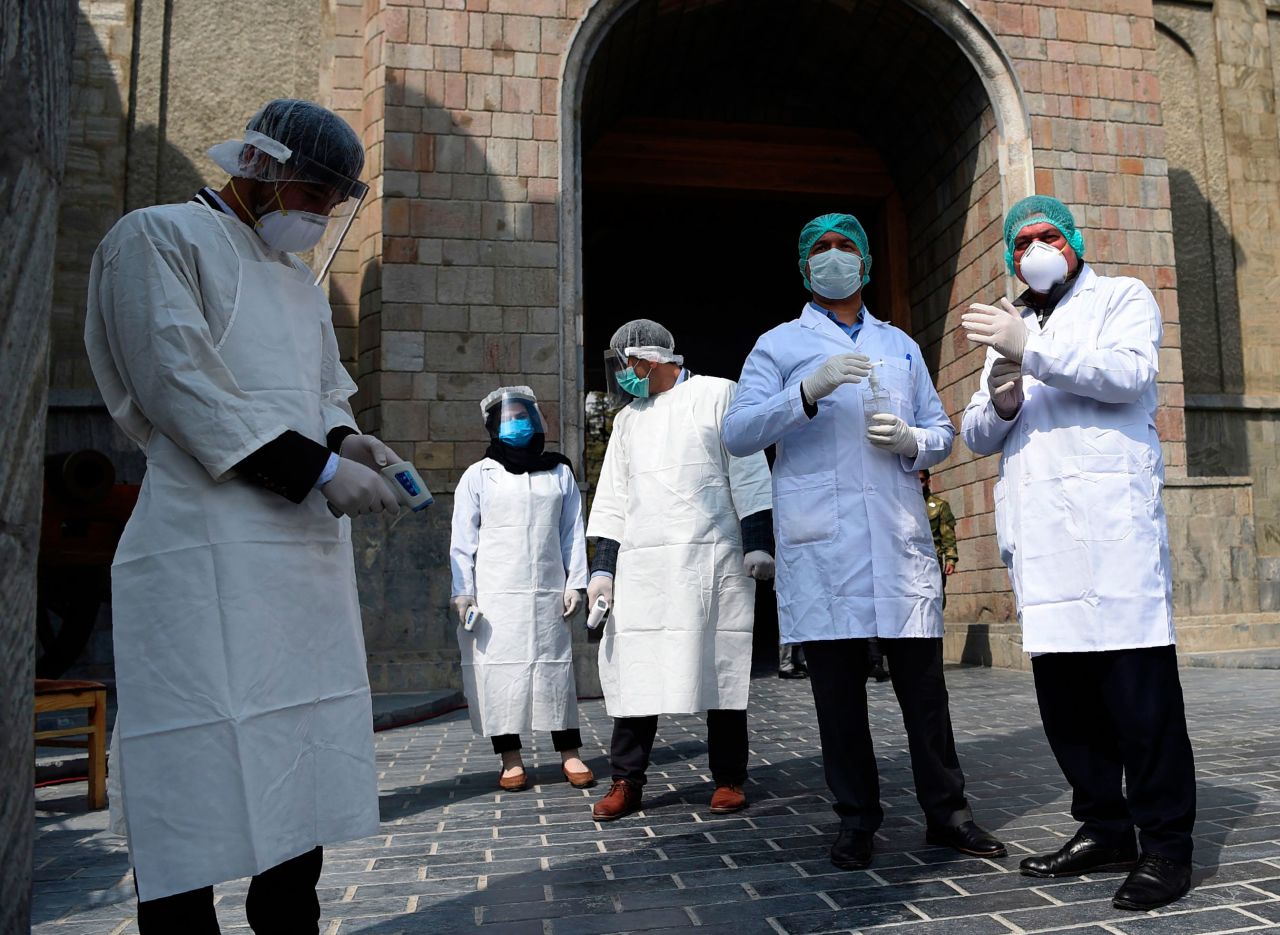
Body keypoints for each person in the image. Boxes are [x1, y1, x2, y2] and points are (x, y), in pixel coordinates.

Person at [84, 100, 392, 932]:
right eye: (314, 192)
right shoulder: (157, 239)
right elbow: (178, 384)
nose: (322, 214)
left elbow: (321, 389)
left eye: (335, 199)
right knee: (194, 762)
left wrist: (350, 443)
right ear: (261, 167)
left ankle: (289, 913)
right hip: (203, 547)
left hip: (299, 558)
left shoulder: (297, 280)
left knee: (301, 742)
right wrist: (316, 466)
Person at [722, 213, 1006, 871]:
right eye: (819, 248)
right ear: (803, 266)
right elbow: (738, 432)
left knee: (925, 694)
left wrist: (912, 441)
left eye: (843, 246)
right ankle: (856, 820)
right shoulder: (778, 345)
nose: (832, 256)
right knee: (840, 699)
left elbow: (941, 430)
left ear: (866, 261)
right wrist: (805, 394)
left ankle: (949, 813)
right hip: (824, 547)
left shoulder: (900, 345)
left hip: (897, 536)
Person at [961, 194, 1196, 911]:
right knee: (1068, 705)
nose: (1034, 246)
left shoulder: (1121, 298)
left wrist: (1030, 351)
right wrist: (1000, 397)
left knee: (1140, 704)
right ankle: (1104, 826)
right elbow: (976, 432)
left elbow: (1127, 376)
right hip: (1045, 542)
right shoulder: (1014, 324)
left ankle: (1165, 846)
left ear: (1073, 240)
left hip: (1111, 536)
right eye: (1021, 239)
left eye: (1046, 235)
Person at [586, 320, 774, 820]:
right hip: (644, 565)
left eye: (627, 365)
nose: (624, 376)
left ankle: (729, 778)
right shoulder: (629, 419)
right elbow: (613, 499)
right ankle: (626, 781)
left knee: (721, 666)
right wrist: (602, 570)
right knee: (635, 670)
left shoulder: (718, 395)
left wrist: (758, 542)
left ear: (648, 360)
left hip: (709, 558)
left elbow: (749, 468)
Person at [449, 386, 592, 791]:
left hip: (548, 590)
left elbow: (571, 532)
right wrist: (464, 593)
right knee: (501, 676)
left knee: (554, 673)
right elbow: (462, 542)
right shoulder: (478, 476)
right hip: (497, 596)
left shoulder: (559, 472)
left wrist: (575, 583)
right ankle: (510, 759)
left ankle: (569, 753)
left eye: (523, 416)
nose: (517, 424)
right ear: (493, 427)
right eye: (508, 418)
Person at [920, 469, 958, 603]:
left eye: (922, 480)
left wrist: (950, 559)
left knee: (936, 598)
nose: (919, 484)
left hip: (933, 559)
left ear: (928, 481)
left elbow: (948, 534)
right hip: (909, 560)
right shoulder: (902, 505)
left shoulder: (939, 505)